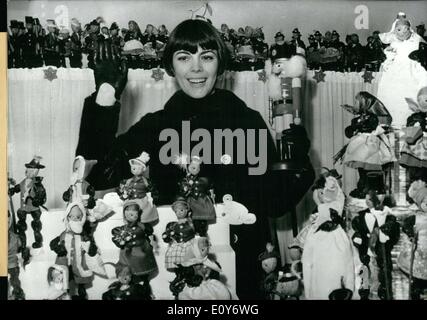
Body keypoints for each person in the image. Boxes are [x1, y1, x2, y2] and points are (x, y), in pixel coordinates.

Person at [75, 19, 314, 299]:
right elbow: (95, 173)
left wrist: (297, 161)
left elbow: (275, 203)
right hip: (178, 273)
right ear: (171, 67)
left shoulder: (248, 122)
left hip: (245, 271)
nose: (197, 68)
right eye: (184, 57)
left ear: (220, 64)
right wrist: (105, 96)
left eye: (207, 57)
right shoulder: (156, 126)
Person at [377, 14, 427, 129]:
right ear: (394, 31)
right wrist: (389, 58)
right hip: (395, 76)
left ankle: (412, 126)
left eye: (407, 29)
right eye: (399, 29)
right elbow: (387, 66)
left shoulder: (416, 42)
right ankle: (394, 128)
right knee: (393, 100)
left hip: (412, 73)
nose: (403, 32)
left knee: (410, 102)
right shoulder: (393, 44)